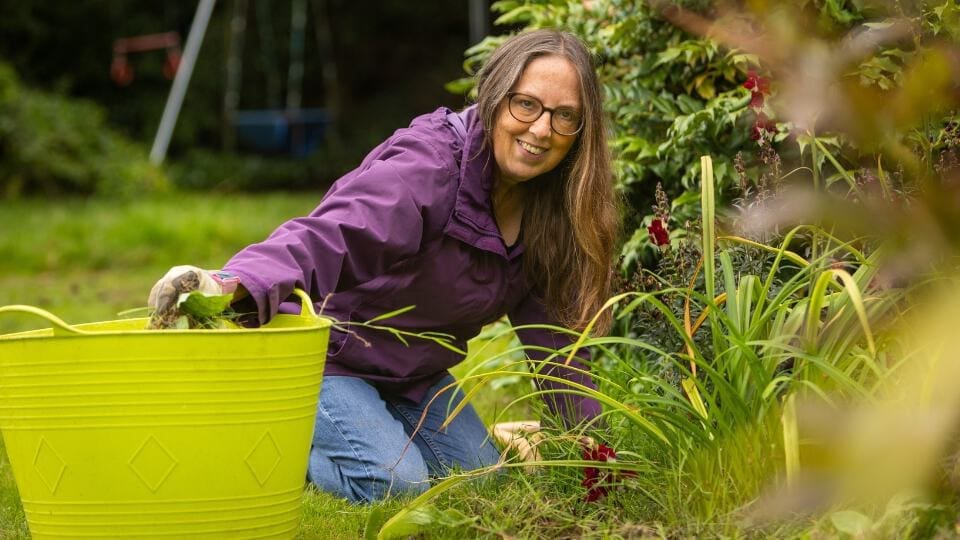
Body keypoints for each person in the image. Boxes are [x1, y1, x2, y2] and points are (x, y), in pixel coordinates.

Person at [148, 29, 620, 503]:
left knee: (480, 482)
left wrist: (593, 454)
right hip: (327, 356)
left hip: (412, 374)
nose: (541, 130)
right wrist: (232, 284)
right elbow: (331, 235)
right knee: (398, 484)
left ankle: (369, 431)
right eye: (527, 105)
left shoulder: (552, 209)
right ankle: (267, 436)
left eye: (565, 117)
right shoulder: (430, 167)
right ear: (496, 96)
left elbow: (557, 346)